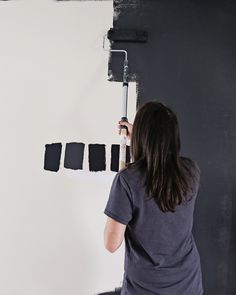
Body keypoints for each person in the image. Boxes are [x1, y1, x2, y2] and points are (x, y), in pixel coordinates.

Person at [103, 101, 203, 295]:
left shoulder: (127, 181)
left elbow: (111, 244)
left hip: (145, 289)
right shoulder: (191, 172)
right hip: (188, 285)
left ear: (142, 136)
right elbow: (158, 172)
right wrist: (143, 137)